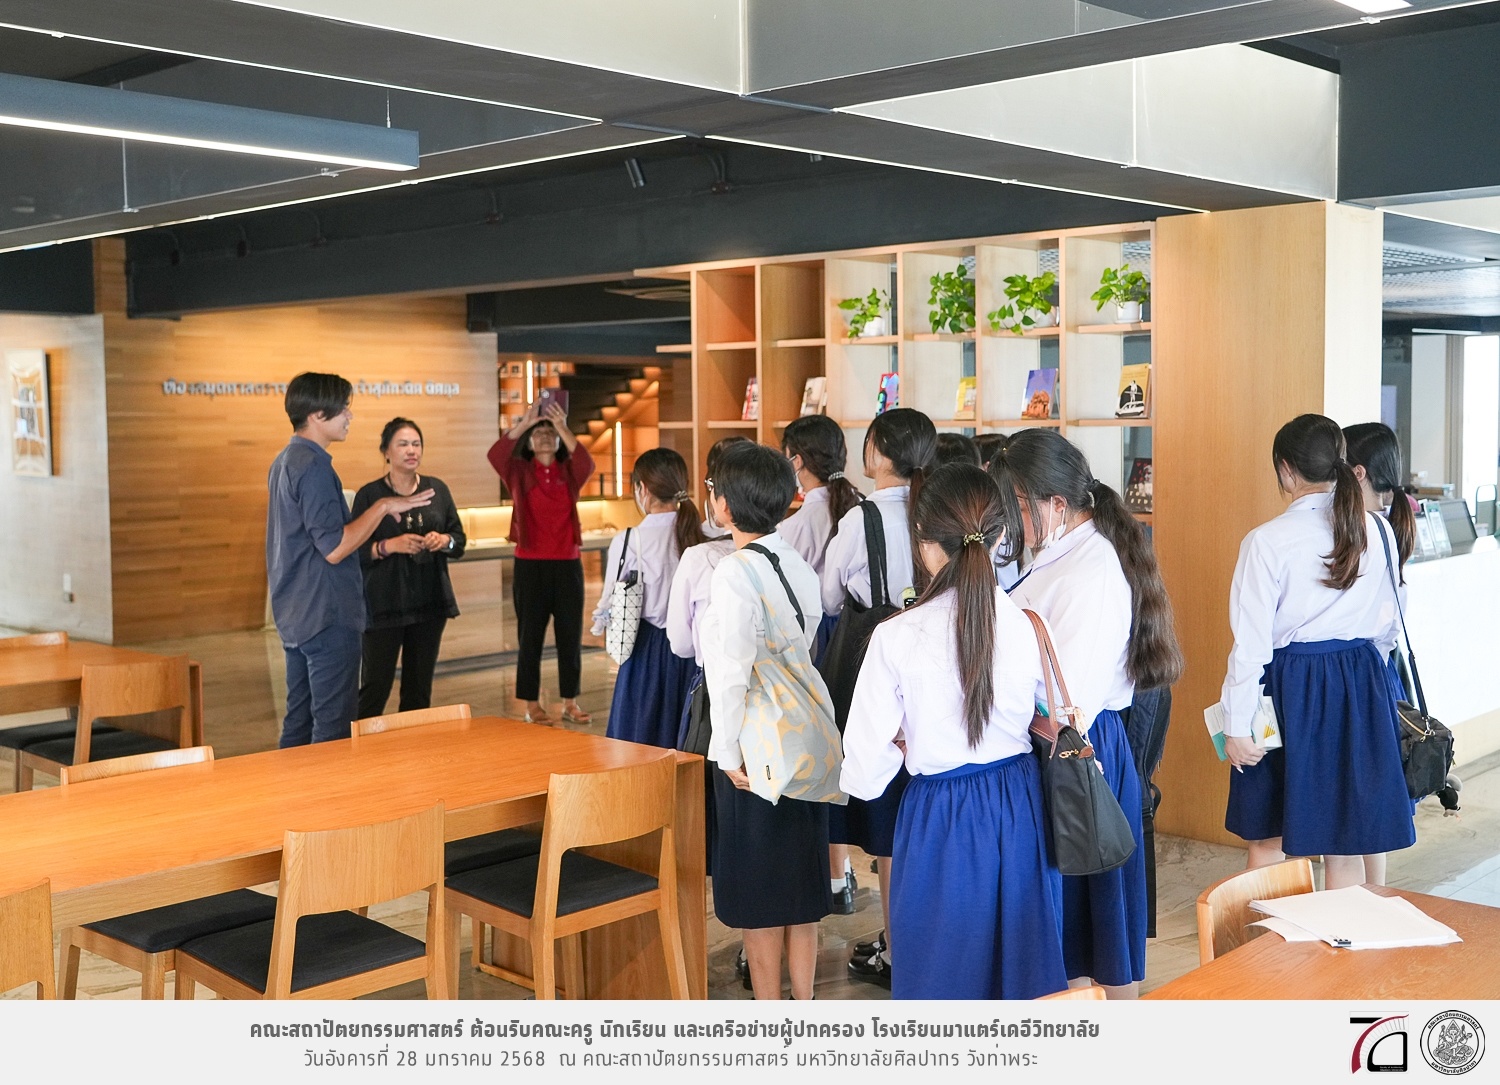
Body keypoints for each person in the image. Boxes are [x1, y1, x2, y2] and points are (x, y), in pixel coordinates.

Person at [842, 463, 1066, 999]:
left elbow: (864, 773)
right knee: (1021, 977)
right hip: (1020, 806)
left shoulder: (895, 636)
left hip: (939, 816)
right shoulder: (1028, 623)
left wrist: (903, 746)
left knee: (942, 982)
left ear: (924, 542)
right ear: (1001, 536)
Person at [988, 427, 1182, 999]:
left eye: (1014, 505)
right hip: (1065, 746)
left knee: (1097, 929)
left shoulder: (1091, 569)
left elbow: (1070, 696)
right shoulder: (1064, 553)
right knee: (1077, 925)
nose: (1009, 522)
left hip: (1078, 750)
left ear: (1053, 503)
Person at [1221, 414, 1414, 891]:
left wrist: (1236, 724)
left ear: (1286, 471)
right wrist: (1363, 679)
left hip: (1287, 686)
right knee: (1344, 842)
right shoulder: (1378, 530)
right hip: (1360, 684)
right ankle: (1344, 936)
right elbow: (1390, 626)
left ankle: (1266, 937)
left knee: (1268, 835)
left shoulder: (1266, 541)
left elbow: (1250, 645)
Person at [701, 441, 832, 1000]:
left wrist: (726, 752)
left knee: (758, 890)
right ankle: (804, 1003)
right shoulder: (796, 563)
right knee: (800, 885)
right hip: (803, 732)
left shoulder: (734, 572)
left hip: (754, 740)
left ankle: (768, 1012)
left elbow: (731, 671)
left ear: (727, 505)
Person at [820, 406, 936, 988]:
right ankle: (921, 942)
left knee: (886, 820)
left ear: (878, 453)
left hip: (872, 667)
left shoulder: (860, 519)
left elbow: (828, 598)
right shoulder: (933, 510)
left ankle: (896, 949)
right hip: (935, 668)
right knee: (922, 809)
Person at [267, 372, 432, 747]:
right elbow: (335, 547)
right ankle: (327, 789)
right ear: (318, 414)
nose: (349, 416)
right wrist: (384, 506)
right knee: (333, 730)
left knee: (299, 722)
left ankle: (293, 787)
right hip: (325, 614)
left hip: (297, 613)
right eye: (343, 409)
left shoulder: (285, 460)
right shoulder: (313, 465)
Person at [778, 415, 864, 914]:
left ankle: (832, 875)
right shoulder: (858, 504)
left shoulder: (796, 524)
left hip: (816, 642)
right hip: (855, 635)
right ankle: (843, 872)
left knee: (821, 757)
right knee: (846, 753)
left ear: (795, 460)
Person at [487, 400, 595, 724]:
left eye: (551, 432)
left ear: (560, 439)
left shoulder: (569, 472)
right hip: (530, 565)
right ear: (529, 442)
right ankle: (531, 704)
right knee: (529, 638)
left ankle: (570, 702)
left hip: (567, 564)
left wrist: (561, 423)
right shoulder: (519, 471)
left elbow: (586, 461)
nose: (545, 436)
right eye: (539, 433)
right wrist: (526, 422)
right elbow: (496, 454)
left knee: (569, 637)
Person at [352, 418, 466, 720]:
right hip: (383, 605)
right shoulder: (370, 495)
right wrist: (389, 546)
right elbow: (353, 551)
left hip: (429, 602)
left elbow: (459, 541)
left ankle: (413, 745)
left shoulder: (437, 489)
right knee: (376, 685)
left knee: (418, 688)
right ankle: (358, 744)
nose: (411, 450)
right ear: (386, 451)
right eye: (403, 444)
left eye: (416, 444)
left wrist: (444, 540)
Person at [593, 447, 704, 747]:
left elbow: (608, 603)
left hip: (646, 650)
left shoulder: (629, 540)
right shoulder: (700, 533)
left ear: (642, 489)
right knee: (685, 739)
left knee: (640, 740)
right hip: (694, 648)